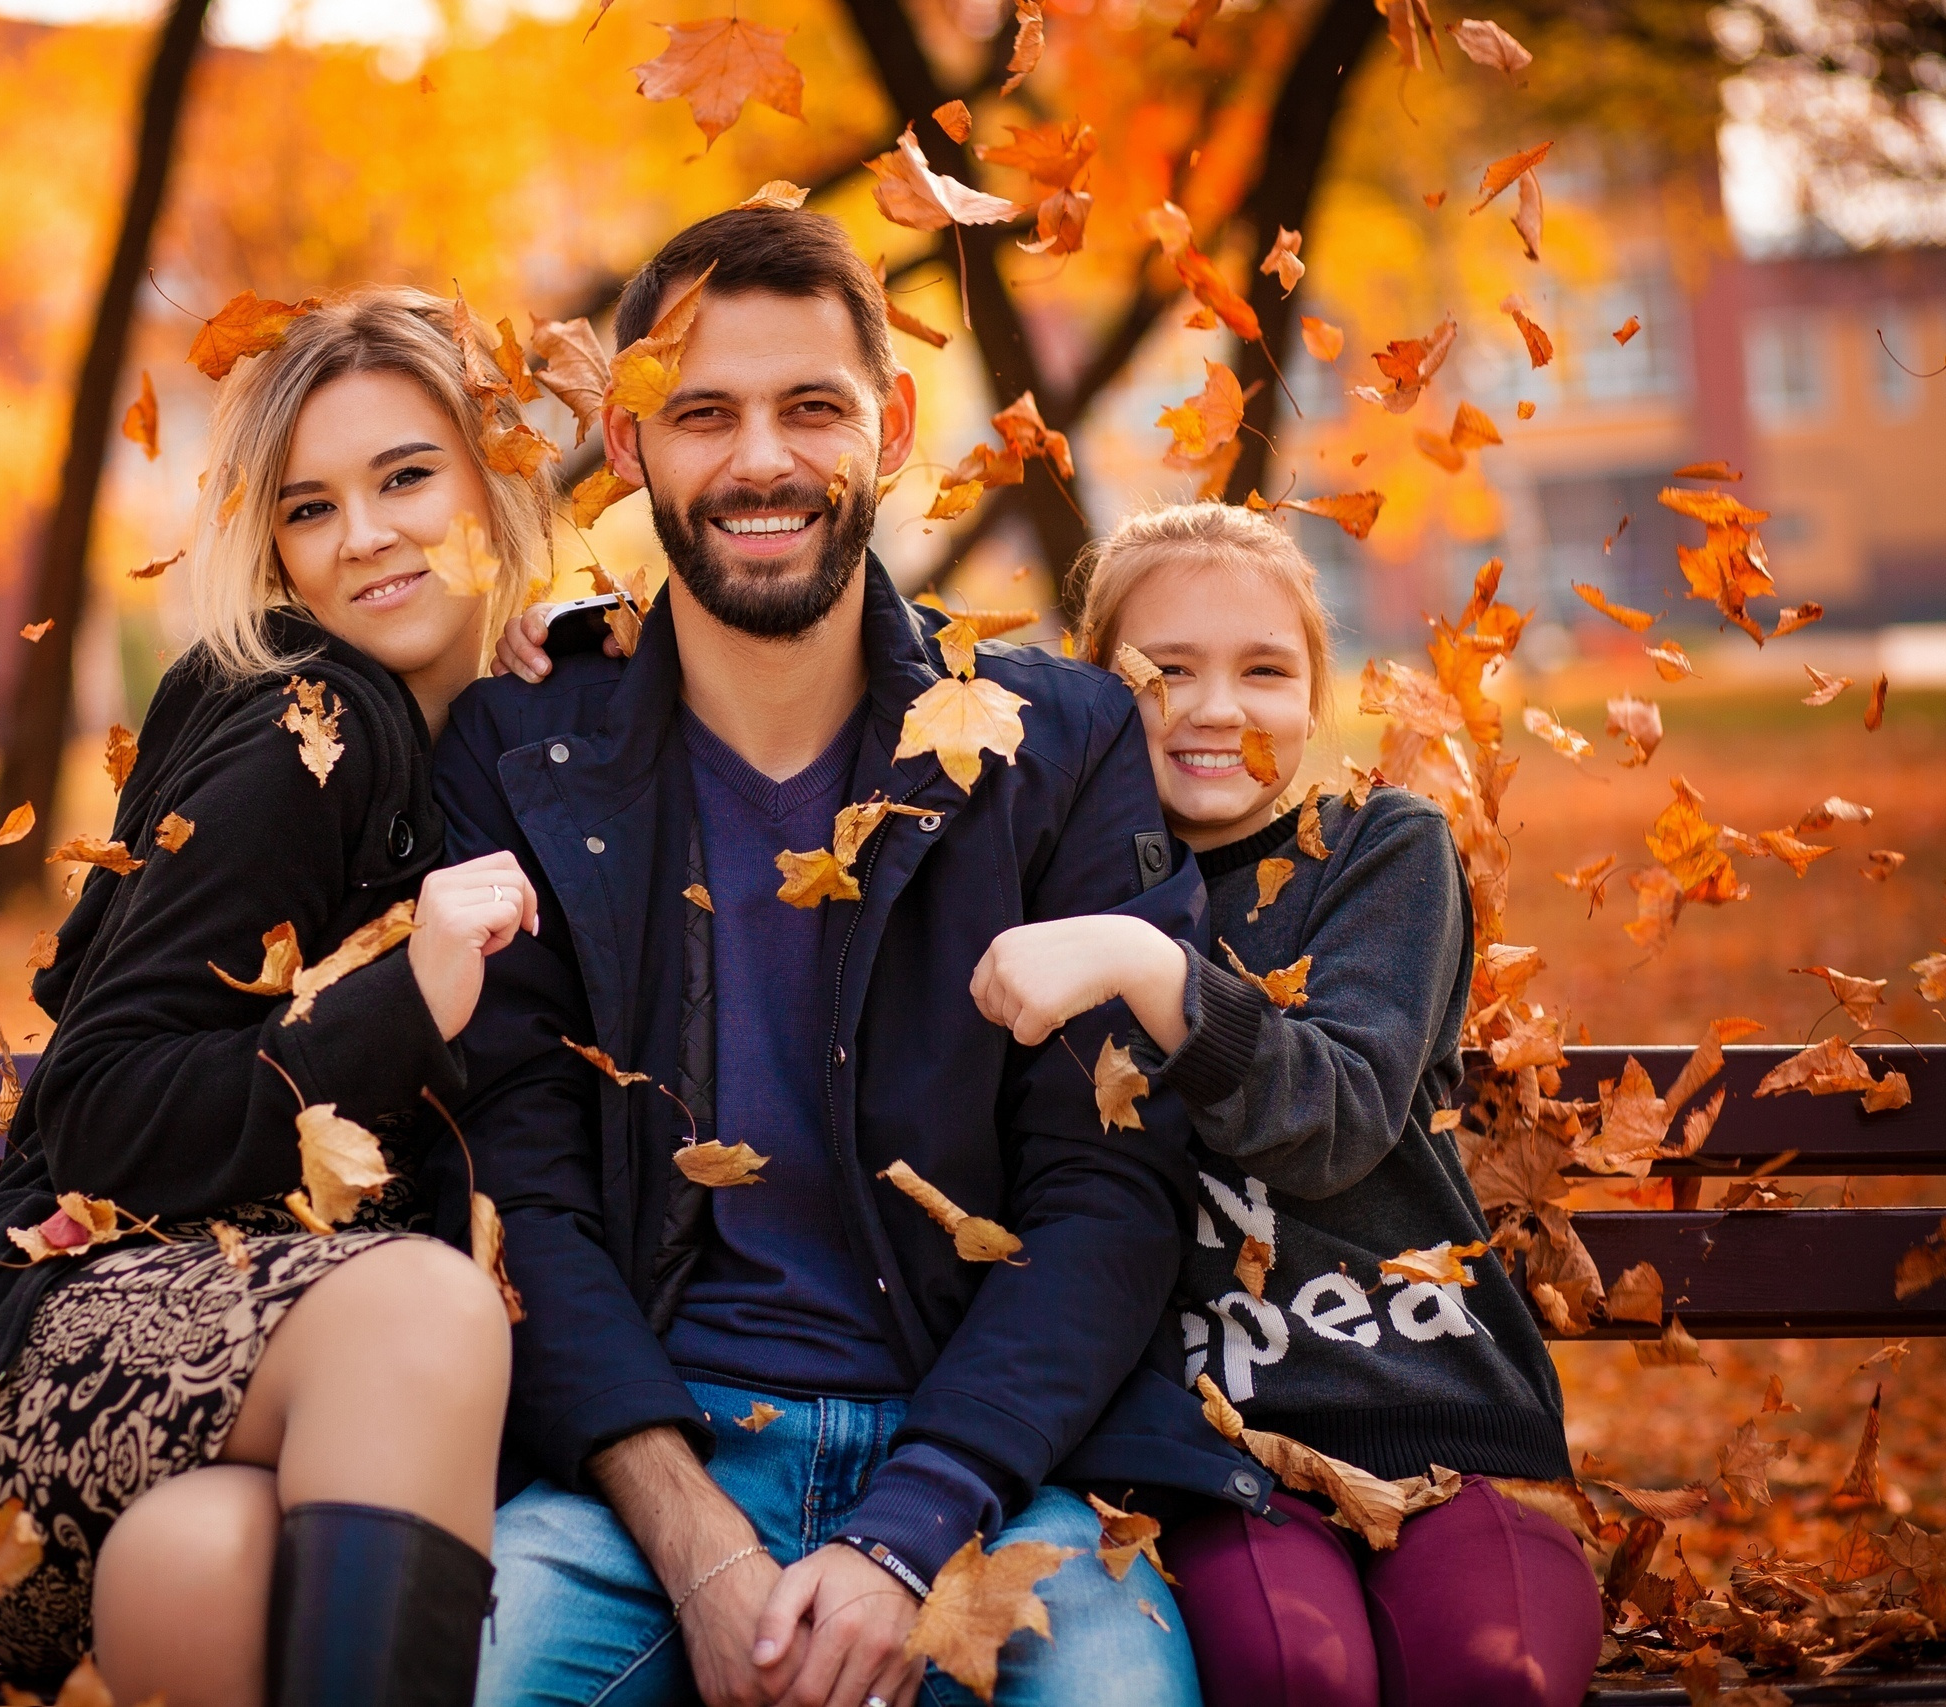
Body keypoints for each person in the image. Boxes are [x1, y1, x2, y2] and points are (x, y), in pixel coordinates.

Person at [448, 206, 1271, 1707]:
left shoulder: (1061, 744)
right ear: (627, 447)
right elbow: (528, 1189)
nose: (761, 460)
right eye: (703, 413)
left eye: (811, 407)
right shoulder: (520, 753)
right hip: (649, 1466)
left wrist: (908, 1525)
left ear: (889, 427)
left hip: (1002, 1463)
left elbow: (1110, 1190)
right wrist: (694, 1539)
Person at [0, 287, 555, 1707]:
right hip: (41, 1379)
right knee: (424, 1310)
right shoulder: (306, 734)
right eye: (311, 508)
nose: (367, 536)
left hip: (221, 1438)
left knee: (205, 1561)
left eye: (407, 477)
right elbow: (90, 1106)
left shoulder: (493, 725)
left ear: (498, 479)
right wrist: (406, 1002)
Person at [965, 503, 1601, 1707]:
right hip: (1208, 1456)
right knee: (1289, 1668)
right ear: (1098, 691)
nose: (1216, 708)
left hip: (1430, 1421)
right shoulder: (1057, 881)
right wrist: (594, 634)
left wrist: (1147, 969)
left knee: (1496, 1668)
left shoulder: (1379, 852)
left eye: (1265, 669)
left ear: (1315, 693)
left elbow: (1339, 1118)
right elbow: (889, 668)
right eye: (1163, 672)